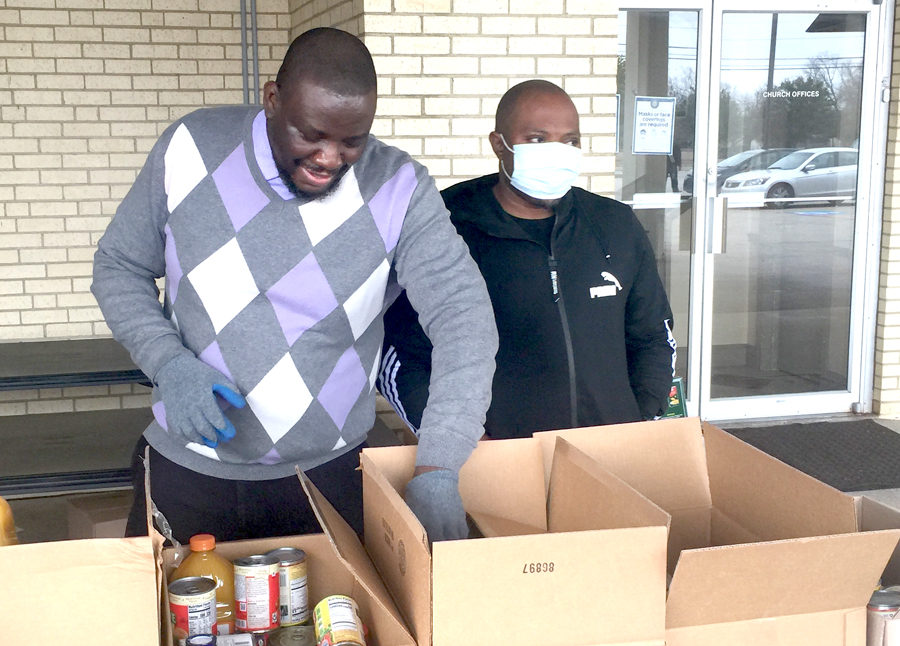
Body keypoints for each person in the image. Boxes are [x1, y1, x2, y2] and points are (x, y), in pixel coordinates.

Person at [91, 28, 497, 544]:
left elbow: (466, 321)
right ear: (272, 99)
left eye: (353, 140)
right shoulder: (190, 149)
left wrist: (438, 466)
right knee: (165, 624)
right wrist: (168, 363)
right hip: (188, 472)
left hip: (331, 481)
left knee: (341, 628)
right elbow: (118, 265)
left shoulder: (399, 188)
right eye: (310, 134)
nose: (330, 158)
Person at [379, 80, 675, 440]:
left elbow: (653, 335)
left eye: (570, 141)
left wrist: (641, 418)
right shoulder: (445, 228)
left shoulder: (613, 225)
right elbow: (400, 354)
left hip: (612, 456)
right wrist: (460, 441)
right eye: (537, 139)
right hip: (498, 465)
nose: (557, 151)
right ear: (498, 145)